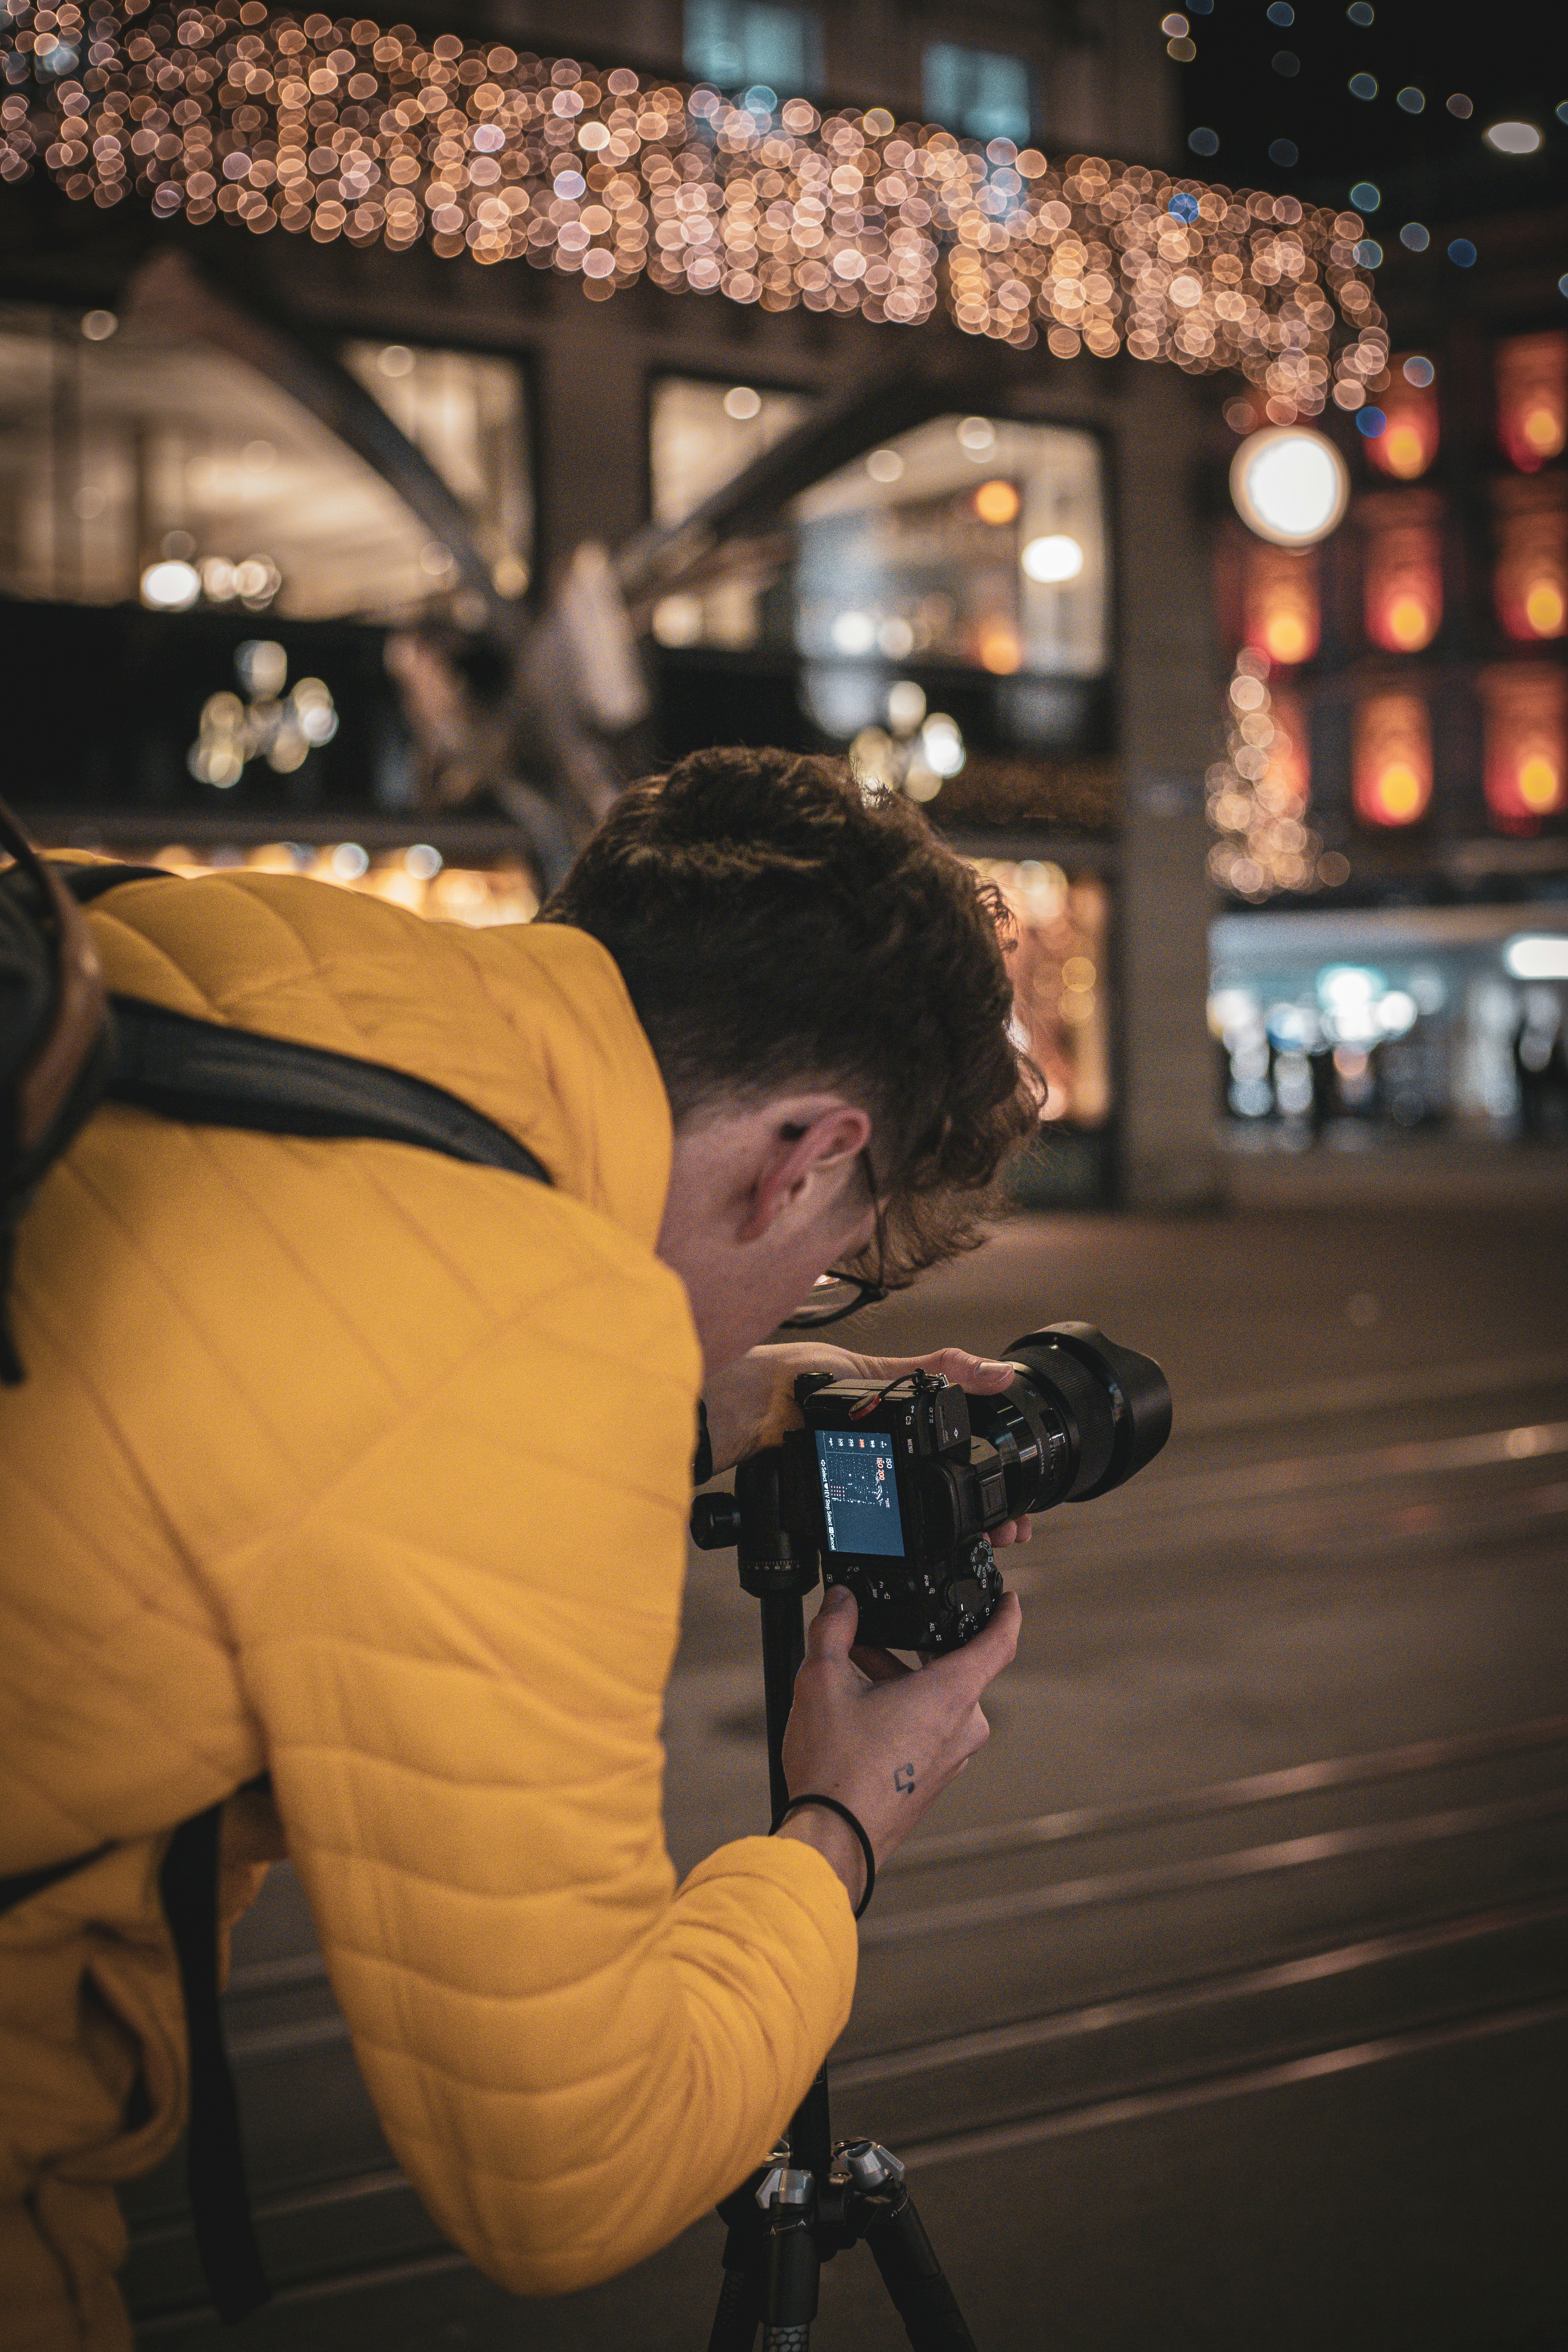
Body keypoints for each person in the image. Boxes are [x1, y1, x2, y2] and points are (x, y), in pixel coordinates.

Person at [0, 747, 1033, 2350]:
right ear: (805, 1158)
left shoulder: (253, 956)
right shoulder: (534, 1330)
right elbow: (573, 2176)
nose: (797, 1303)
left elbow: (312, 1364)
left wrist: (785, 1394)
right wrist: (843, 1815)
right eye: (831, 1274)